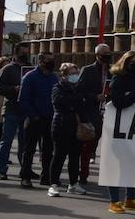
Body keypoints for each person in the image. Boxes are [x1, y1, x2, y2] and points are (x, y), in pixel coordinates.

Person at [104, 51, 135, 213]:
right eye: (133, 62)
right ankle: (114, 201)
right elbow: (118, 102)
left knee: (132, 165)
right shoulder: (118, 78)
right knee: (116, 165)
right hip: (118, 129)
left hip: (134, 129)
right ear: (125, 62)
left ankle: (130, 198)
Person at [47, 63, 92, 197]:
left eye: (76, 73)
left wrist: (75, 101)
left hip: (77, 127)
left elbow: (85, 102)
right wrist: (77, 101)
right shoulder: (58, 87)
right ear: (64, 75)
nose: (75, 76)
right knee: (59, 156)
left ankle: (73, 184)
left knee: (75, 156)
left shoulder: (80, 87)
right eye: (72, 73)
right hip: (61, 125)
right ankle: (53, 184)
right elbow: (60, 102)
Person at [76, 44, 114, 189]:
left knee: (106, 145)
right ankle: (83, 174)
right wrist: (94, 97)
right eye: (105, 53)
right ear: (97, 55)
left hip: (108, 112)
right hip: (92, 112)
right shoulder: (87, 70)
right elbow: (79, 91)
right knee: (88, 145)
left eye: (109, 52)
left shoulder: (113, 71)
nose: (107, 55)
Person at [19, 51, 58, 188]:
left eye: (52, 60)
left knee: (48, 150)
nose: (51, 63)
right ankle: (25, 176)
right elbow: (23, 99)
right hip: (34, 119)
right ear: (41, 62)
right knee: (29, 149)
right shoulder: (30, 77)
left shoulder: (54, 78)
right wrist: (33, 116)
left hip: (50, 119)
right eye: (49, 60)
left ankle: (46, 177)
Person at [0, 45, 29, 181]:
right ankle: (2, 170)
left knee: (25, 143)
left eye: (27, 52)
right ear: (16, 53)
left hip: (26, 110)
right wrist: (13, 89)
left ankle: (25, 170)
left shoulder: (30, 68)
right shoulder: (7, 69)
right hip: (11, 109)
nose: (25, 54)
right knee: (6, 141)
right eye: (23, 52)